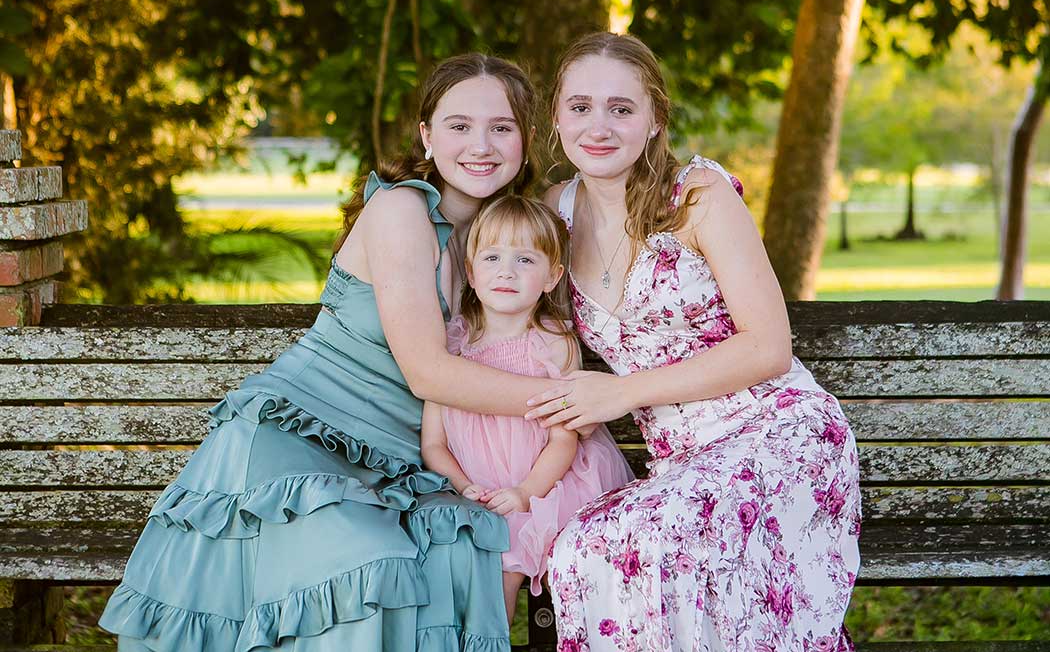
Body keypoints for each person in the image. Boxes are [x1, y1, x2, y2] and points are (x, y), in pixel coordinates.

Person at [99, 53, 567, 652]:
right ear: (426, 135)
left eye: (501, 127)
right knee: (367, 564)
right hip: (303, 442)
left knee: (462, 546)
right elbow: (428, 373)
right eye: (459, 125)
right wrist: (571, 399)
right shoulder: (401, 211)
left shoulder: (508, 238)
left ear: (526, 139)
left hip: (401, 460)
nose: (481, 145)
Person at [526, 32, 862, 651]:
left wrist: (621, 393)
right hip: (681, 457)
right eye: (580, 107)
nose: (598, 127)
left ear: (655, 118)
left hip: (776, 430)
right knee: (579, 550)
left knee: (661, 538)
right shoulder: (555, 212)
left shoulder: (697, 195)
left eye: (621, 109)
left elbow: (769, 347)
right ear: (556, 115)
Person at [421, 194, 633, 626]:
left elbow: (563, 439)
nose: (506, 270)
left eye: (525, 260)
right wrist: (464, 486)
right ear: (471, 273)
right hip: (471, 490)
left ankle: (496, 639)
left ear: (552, 276)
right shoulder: (451, 348)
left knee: (506, 557)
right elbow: (434, 443)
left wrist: (524, 494)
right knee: (450, 559)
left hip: (547, 486)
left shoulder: (553, 343)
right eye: (493, 257)